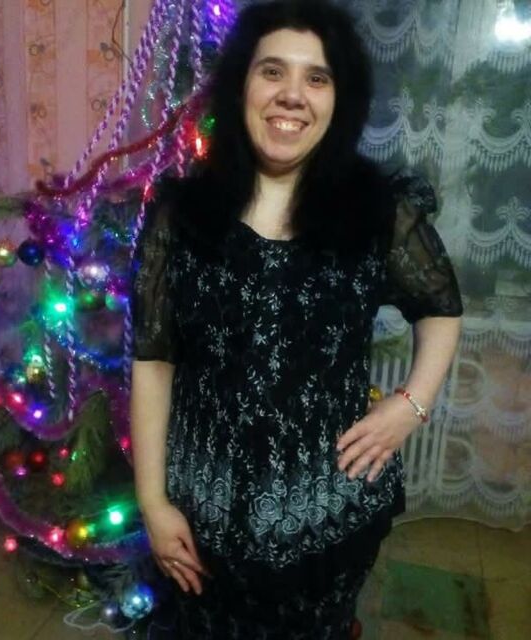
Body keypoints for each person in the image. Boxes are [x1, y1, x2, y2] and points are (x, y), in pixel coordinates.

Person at [130, 1, 463, 638]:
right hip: (200, 524)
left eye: (317, 78)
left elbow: (441, 310)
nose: (292, 95)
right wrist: (153, 502)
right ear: (241, 85)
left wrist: (411, 405)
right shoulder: (181, 215)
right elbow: (153, 361)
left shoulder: (377, 211)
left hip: (330, 520)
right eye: (272, 71)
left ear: (340, 100)